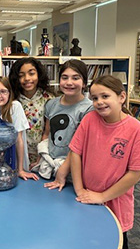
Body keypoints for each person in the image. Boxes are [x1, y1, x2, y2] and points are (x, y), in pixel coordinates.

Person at [70, 75, 140, 249]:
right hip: (86, 198)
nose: (99, 102)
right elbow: (75, 153)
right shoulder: (89, 119)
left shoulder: (135, 129)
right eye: (94, 98)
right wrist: (79, 189)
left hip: (115, 204)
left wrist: (102, 196)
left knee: (113, 241)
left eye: (105, 96)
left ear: (121, 97)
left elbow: (135, 173)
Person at [39, 60, 93, 191]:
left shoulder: (88, 109)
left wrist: (62, 172)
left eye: (76, 78)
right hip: (50, 167)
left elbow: (79, 147)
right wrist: (43, 158)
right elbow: (47, 134)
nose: (69, 82)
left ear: (84, 83)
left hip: (73, 171)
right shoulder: (51, 104)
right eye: (64, 77)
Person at [9, 57, 54, 167]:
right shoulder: (12, 101)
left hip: (43, 156)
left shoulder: (49, 99)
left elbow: (48, 133)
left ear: (39, 75)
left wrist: (41, 157)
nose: (27, 78)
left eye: (31, 73)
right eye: (21, 75)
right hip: (16, 155)